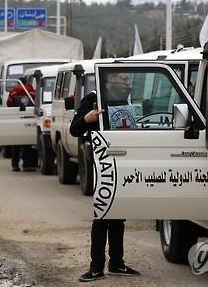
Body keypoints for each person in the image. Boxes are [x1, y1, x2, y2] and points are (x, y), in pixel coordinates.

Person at [70, 72, 140, 282]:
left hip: (124, 162)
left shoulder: (124, 100)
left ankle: (117, 262)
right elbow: (74, 128)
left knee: (119, 215)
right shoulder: (93, 99)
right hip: (103, 164)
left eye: (128, 78)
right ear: (110, 80)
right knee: (102, 216)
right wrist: (87, 118)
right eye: (124, 78)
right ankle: (96, 266)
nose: (128, 81)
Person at [7, 76, 37, 172]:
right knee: (27, 143)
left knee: (16, 143)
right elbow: (36, 102)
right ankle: (27, 165)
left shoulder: (14, 91)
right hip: (29, 118)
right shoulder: (31, 90)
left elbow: (9, 103)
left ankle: (15, 165)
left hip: (17, 118)